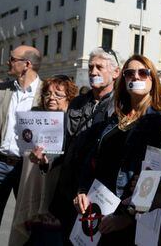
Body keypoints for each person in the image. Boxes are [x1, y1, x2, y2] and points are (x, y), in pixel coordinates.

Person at [74, 54, 161, 245]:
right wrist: (82, 190)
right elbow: (93, 159)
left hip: (125, 215)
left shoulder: (160, 122)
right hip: (97, 205)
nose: (135, 77)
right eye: (129, 73)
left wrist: (127, 217)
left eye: (143, 73)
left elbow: (152, 175)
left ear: (153, 79)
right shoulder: (114, 119)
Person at [50, 47, 121, 242]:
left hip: (96, 192)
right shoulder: (77, 103)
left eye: (99, 67)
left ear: (116, 73)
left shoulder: (121, 105)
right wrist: (45, 157)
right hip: (69, 189)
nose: (93, 72)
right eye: (90, 67)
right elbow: (63, 143)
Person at [9, 75, 78, 245]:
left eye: (58, 94)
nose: (51, 98)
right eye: (47, 94)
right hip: (31, 188)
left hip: (57, 196)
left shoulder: (72, 124)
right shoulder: (34, 117)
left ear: (69, 98)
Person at [0, 45, 42, 228]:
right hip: (0, 163)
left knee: (27, 224)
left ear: (27, 64)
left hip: (28, 168)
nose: (7, 62)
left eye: (12, 59)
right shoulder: (3, 90)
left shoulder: (46, 93)